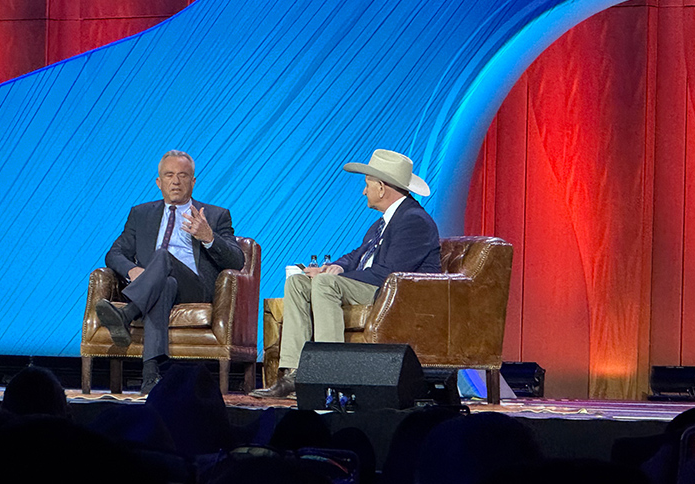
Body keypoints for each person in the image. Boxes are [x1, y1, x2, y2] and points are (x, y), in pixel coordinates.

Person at [250, 149, 440, 398]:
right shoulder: (382, 222)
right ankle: (295, 374)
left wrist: (332, 278)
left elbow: (388, 273)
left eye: (367, 185)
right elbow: (358, 255)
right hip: (374, 286)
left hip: (394, 294)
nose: (364, 191)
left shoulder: (413, 220)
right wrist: (335, 267)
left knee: (326, 285)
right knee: (298, 282)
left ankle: (331, 376)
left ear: (381, 188)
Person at [96, 150, 245, 395]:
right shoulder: (140, 214)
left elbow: (237, 261)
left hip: (196, 288)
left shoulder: (216, 215)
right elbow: (114, 254)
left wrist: (208, 237)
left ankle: (127, 313)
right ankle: (150, 377)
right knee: (164, 284)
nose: (176, 181)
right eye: (169, 175)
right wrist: (133, 270)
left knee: (162, 255)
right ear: (159, 182)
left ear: (193, 181)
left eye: (183, 176)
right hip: (157, 287)